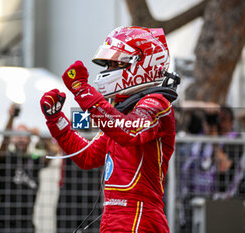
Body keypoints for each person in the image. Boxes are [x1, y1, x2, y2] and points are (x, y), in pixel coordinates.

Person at [40, 26, 179, 232]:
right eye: (109, 63)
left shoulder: (157, 104)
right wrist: (56, 119)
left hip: (140, 217)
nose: (110, 69)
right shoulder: (119, 115)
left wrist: (82, 89)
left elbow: (127, 132)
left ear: (142, 63)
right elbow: (87, 156)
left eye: (117, 63)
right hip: (113, 218)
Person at [0, 103, 48, 233]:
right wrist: (11, 117)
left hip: (26, 222)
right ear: (12, 139)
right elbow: (4, 141)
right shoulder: (6, 157)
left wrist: (41, 135)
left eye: (24, 135)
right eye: (18, 135)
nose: (21, 139)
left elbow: (52, 153)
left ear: (30, 139)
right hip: (4, 221)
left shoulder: (35, 159)